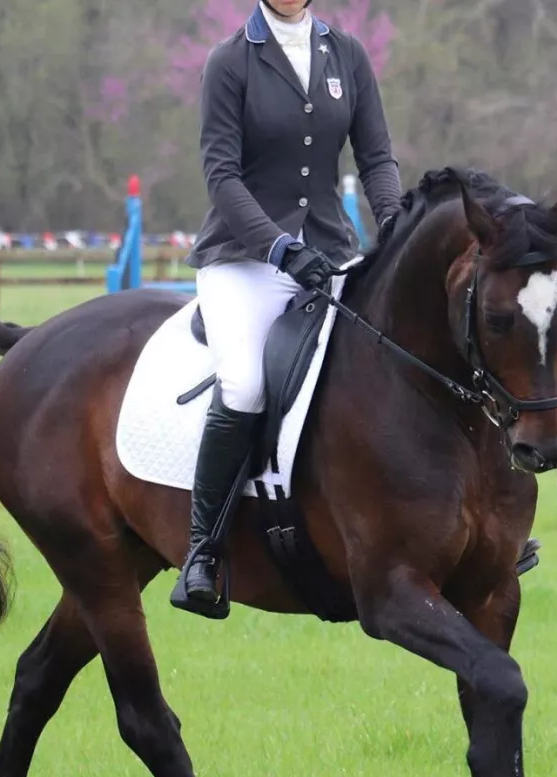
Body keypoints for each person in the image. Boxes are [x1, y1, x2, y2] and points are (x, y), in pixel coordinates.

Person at [171, 0, 403, 617]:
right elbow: (221, 175)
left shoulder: (345, 54)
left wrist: (395, 226)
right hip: (243, 260)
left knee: (396, 360)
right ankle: (203, 549)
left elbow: (376, 158)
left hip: (328, 254)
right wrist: (277, 246)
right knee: (245, 384)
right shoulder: (230, 62)